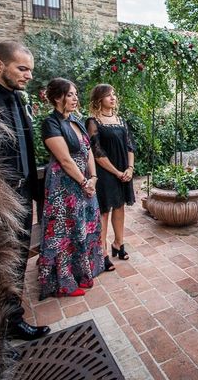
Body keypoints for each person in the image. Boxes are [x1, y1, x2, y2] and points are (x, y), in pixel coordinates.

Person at [0, 41, 50, 340]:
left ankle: (12, 318)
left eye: (30, 70)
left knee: (20, 254)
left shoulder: (17, 98)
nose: (28, 76)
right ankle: (1, 324)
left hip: (24, 193)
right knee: (2, 259)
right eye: (22, 69)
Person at [37, 78, 104, 299]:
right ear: (57, 98)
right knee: (63, 234)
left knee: (83, 229)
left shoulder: (76, 120)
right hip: (64, 188)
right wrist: (84, 182)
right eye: (70, 94)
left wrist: (93, 177)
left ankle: (83, 272)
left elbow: (88, 150)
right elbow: (65, 160)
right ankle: (63, 282)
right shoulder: (50, 123)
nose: (75, 98)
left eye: (76, 94)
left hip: (84, 186)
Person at [86, 84, 135, 272]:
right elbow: (96, 152)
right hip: (106, 172)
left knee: (120, 206)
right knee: (104, 211)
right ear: (99, 99)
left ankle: (118, 244)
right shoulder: (93, 121)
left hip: (124, 170)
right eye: (108, 95)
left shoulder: (121, 120)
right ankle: (103, 252)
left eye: (114, 94)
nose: (112, 98)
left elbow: (130, 146)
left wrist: (130, 168)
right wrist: (116, 172)